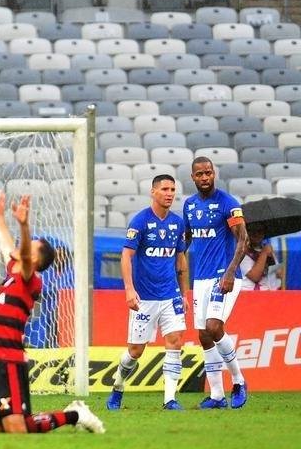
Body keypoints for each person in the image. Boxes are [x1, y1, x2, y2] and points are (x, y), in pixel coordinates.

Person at [0, 194, 103, 434]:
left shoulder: (30, 280)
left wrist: (24, 225)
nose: (20, 246)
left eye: (29, 246)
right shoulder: (12, 272)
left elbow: (24, 255)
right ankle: (75, 414)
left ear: (35, 259)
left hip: (9, 360)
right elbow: (7, 246)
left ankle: (75, 415)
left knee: (17, 429)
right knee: (0, 429)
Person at [108, 174, 191, 411]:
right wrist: (129, 289)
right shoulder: (140, 221)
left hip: (170, 295)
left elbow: (181, 259)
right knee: (135, 351)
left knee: (175, 341)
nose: (169, 193)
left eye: (172, 189)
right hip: (144, 298)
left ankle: (169, 399)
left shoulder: (178, 223)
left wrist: (184, 294)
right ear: (153, 192)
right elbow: (126, 256)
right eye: (164, 189)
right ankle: (118, 386)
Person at [183, 156, 250, 409]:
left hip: (224, 275)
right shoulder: (189, 206)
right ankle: (217, 396)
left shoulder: (228, 203)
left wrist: (231, 273)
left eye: (208, 173)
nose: (204, 178)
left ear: (214, 174)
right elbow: (187, 238)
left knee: (213, 326)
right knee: (203, 335)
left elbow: (243, 240)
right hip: (201, 278)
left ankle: (239, 381)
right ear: (193, 177)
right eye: (199, 174)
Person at [241, 224, 281, 291]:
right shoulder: (242, 251)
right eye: (252, 231)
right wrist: (264, 253)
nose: (256, 234)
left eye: (259, 231)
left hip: (266, 293)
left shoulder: (267, 249)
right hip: (247, 294)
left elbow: (278, 273)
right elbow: (255, 277)